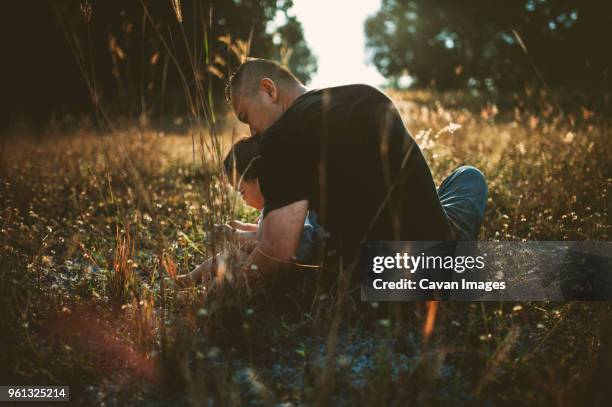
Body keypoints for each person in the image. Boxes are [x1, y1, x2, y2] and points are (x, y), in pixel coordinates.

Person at [225, 58, 488, 283]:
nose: (253, 132)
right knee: (468, 176)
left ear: (268, 90)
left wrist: (228, 289)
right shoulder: (366, 94)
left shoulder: (279, 138)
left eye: (246, 117)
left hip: (388, 277)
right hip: (439, 257)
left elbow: (276, 254)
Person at [169, 136, 322, 288]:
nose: (242, 198)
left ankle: (193, 280)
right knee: (230, 256)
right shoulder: (277, 206)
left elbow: (262, 240)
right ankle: (191, 279)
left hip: (294, 273)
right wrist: (241, 226)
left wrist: (231, 234)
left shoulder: (284, 207)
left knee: (231, 256)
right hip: (282, 266)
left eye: (242, 192)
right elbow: (261, 232)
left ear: (259, 179)